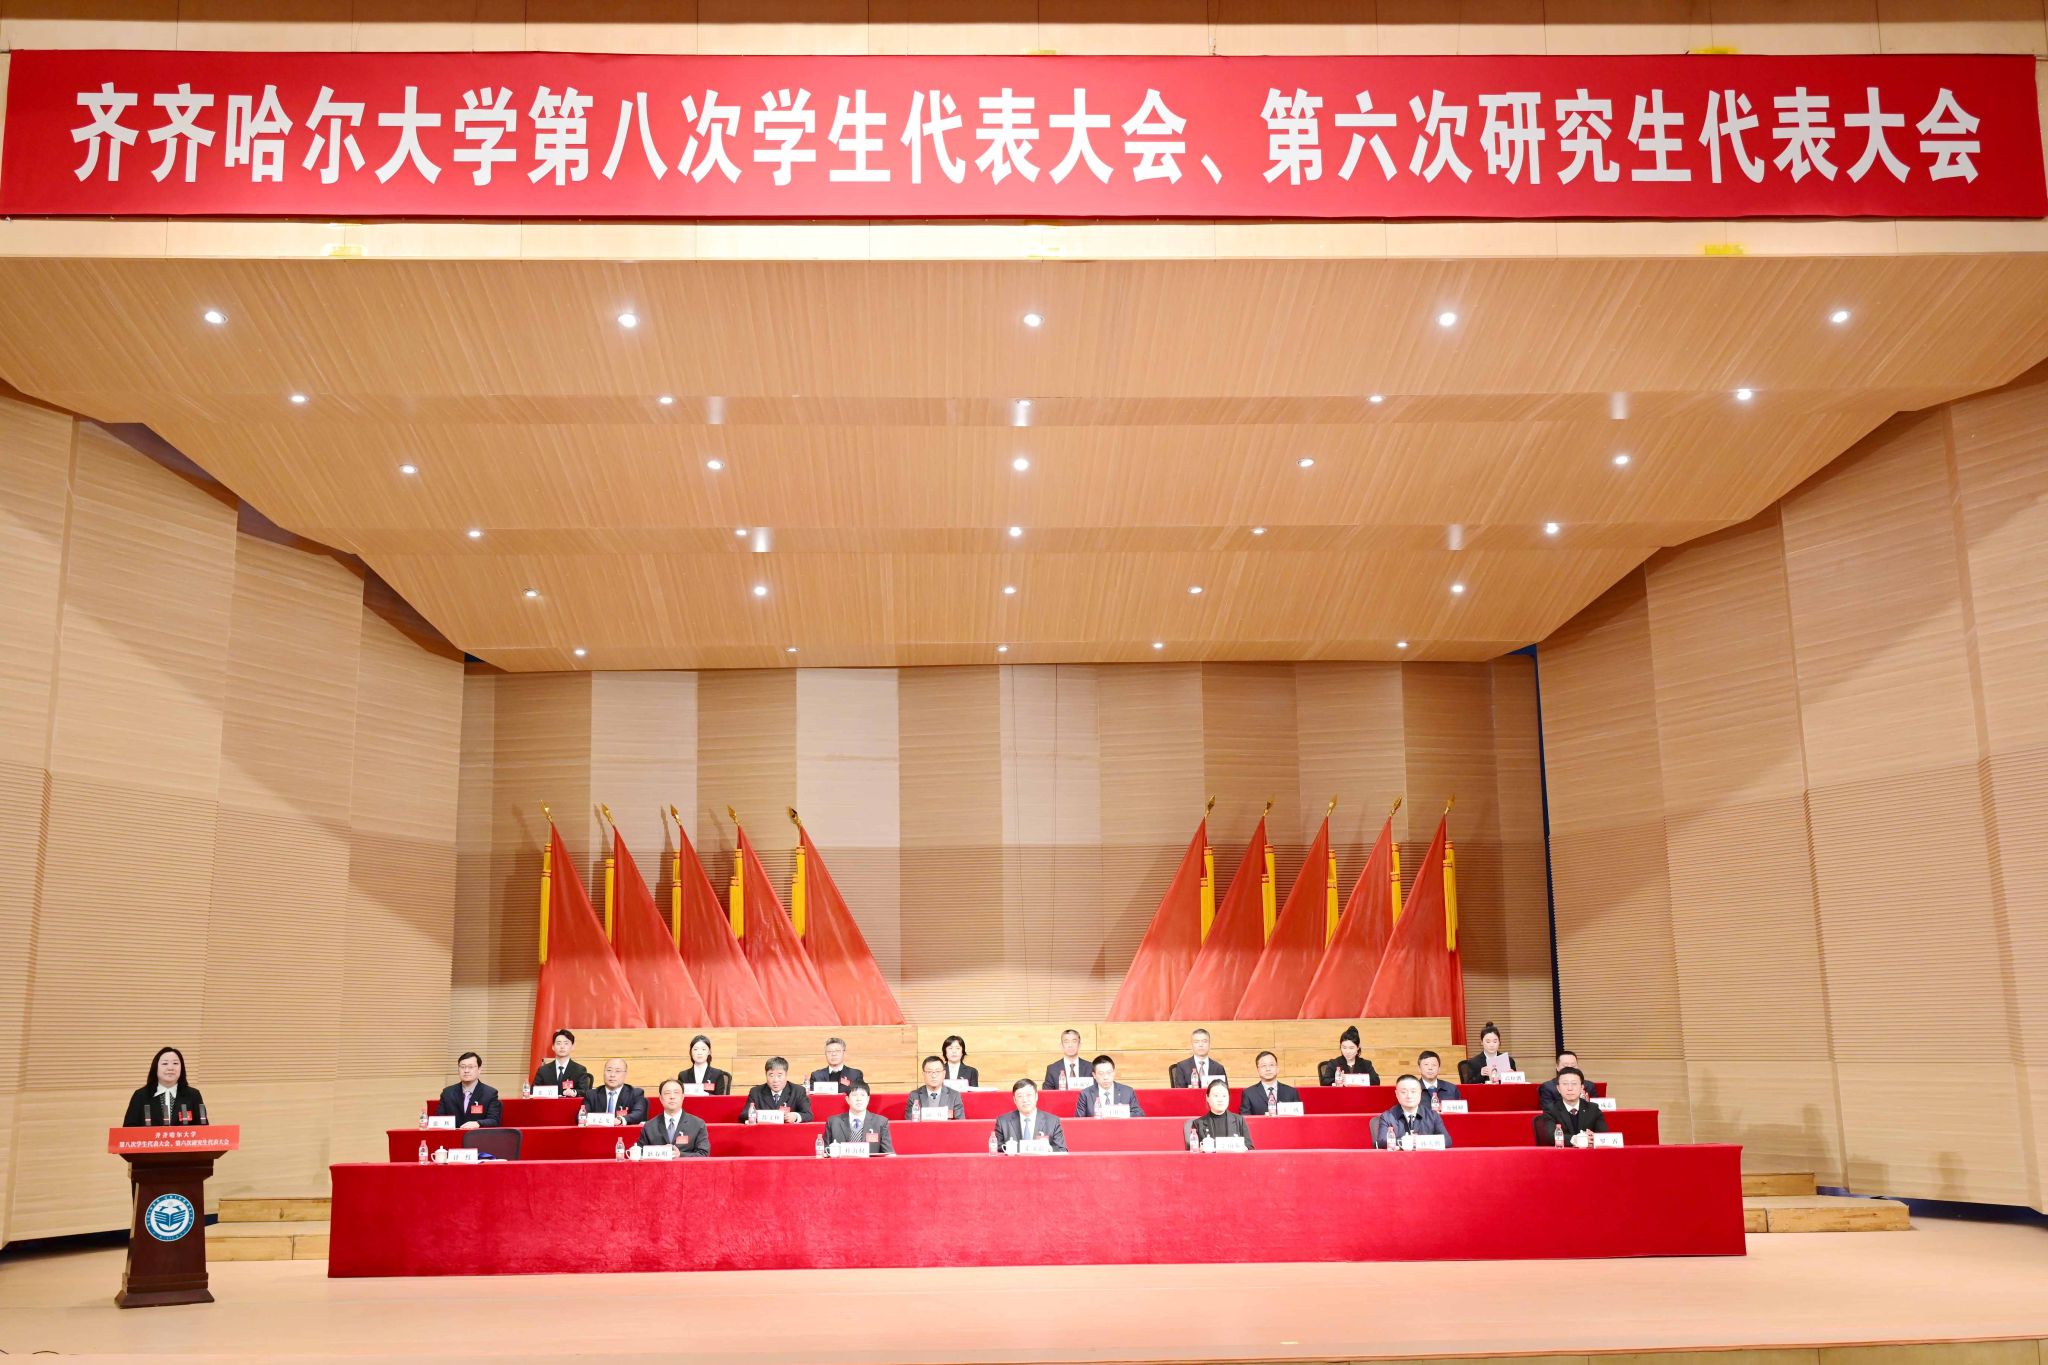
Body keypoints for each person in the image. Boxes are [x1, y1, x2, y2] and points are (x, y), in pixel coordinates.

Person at [124, 1046, 206, 1127]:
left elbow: (204, 1129)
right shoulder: (140, 1095)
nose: (170, 1068)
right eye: (165, 1063)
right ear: (156, 1067)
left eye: (175, 1063)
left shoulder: (193, 1095)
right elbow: (128, 1128)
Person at [1534, 1067, 1608, 1147]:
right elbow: (1550, 1136)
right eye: (1565, 1084)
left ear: (1582, 1087)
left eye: (1574, 1084)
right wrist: (1575, 1139)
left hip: (1587, 1153)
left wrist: (1594, 1137)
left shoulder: (1593, 1108)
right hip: (1562, 1153)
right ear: (1558, 1088)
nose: (1570, 1088)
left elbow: (1604, 1135)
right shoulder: (1551, 1110)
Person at [1375, 1076, 1452, 1149]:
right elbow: (1382, 1142)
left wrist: (1420, 1141)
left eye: (1413, 1091)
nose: (1409, 1096)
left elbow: (1447, 1141)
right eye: (1403, 1092)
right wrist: (1407, 1141)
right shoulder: (1387, 1116)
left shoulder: (1432, 1115)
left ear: (1420, 1092)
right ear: (1397, 1094)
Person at [637, 1079, 710, 1156]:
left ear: (682, 1097)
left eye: (676, 1093)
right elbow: (640, 1153)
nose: (672, 1097)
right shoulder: (649, 1126)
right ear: (660, 1098)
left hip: (685, 1164)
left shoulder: (697, 1124)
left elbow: (703, 1154)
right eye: (667, 1093)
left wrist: (680, 1155)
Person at [992, 1079, 1067, 1153]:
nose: (1025, 1100)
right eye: (1020, 1096)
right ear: (1014, 1100)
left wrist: (1050, 1149)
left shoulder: (1052, 1121)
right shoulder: (1003, 1122)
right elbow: (997, 1150)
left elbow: (1062, 1150)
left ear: (1036, 1097)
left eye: (1029, 1095)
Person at [824, 1081, 894, 1155]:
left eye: (862, 1095)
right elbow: (825, 1153)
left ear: (868, 1099)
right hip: (841, 1162)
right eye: (854, 1095)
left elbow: (888, 1153)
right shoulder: (833, 1122)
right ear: (847, 1099)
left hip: (869, 1162)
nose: (859, 1099)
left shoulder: (880, 1122)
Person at [1185, 1079, 1254, 1149]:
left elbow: (1250, 1147)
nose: (1220, 1100)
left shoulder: (1239, 1120)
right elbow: (1192, 1150)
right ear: (1207, 1098)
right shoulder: (1198, 1123)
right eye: (1216, 1096)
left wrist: (1244, 1148)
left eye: (1224, 1096)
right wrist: (1200, 1149)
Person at [438, 1052, 501, 1129]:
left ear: (479, 1069)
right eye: (462, 1067)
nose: (466, 1070)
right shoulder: (447, 1093)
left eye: (470, 1067)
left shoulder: (490, 1093)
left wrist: (478, 1123)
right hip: (453, 1135)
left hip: (478, 1135)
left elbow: (494, 1121)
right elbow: (439, 1120)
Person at [744, 1057, 815, 1123]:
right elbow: (744, 1115)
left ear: (786, 1075)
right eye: (771, 1075)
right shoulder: (755, 1092)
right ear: (766, 1075)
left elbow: (808, 1115)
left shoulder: (798, 1091)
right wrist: (761, 1116)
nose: (775, 1080)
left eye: (779, 1075)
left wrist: (795, 1116)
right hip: (764, 1131)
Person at [1074, 1056, 1145, 1118]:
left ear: (1114, 1072)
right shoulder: (1086, 1094)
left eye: (1109, 1072)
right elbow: (1079, 1120)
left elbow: (1139, 1114)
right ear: (1094, 1075)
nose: (1105, 1077)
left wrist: (1122, 1114)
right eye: (1101, 1073)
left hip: (1121, 1128)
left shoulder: (1127, 1091)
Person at [1238, 1050, 1301, 1116]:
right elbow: (1244, 1118)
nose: (1268, 1069)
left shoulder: (1291, 1092)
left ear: (1277, 1068)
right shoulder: (1249, 1093)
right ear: (1258, 1070)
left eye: (1271, 1065)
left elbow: (1299, 1118)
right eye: (1263, 1066)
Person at [584, 1058, 646, 1124]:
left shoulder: (635, 1093)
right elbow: (582, 1116)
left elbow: (638, 1114)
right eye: (609, 1070)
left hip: (623, 1130)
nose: (612, 1075)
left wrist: (621, 1120)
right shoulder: (591, 1095)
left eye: (617, 1071)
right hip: (599, 1130)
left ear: (625, 1074)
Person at [531, 1029, 592, 1095]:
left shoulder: (579, 1070)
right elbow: (533, 1091)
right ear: (553, 1047)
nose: (562, 1047)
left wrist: (574, 1092)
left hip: (569, 1102)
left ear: (572, 1047)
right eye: (558, 1043)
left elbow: (584, 1092)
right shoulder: (543, 1070)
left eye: (566, 1043)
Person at [907, 1056, 966, 1120]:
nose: (934, 1075)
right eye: (929, 1072)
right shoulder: (914, 1096)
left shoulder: (954, 1096)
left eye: (937, 1071)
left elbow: (960, 1123)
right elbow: (910, 1122)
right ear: (923, 1074)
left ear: (944, 1073)